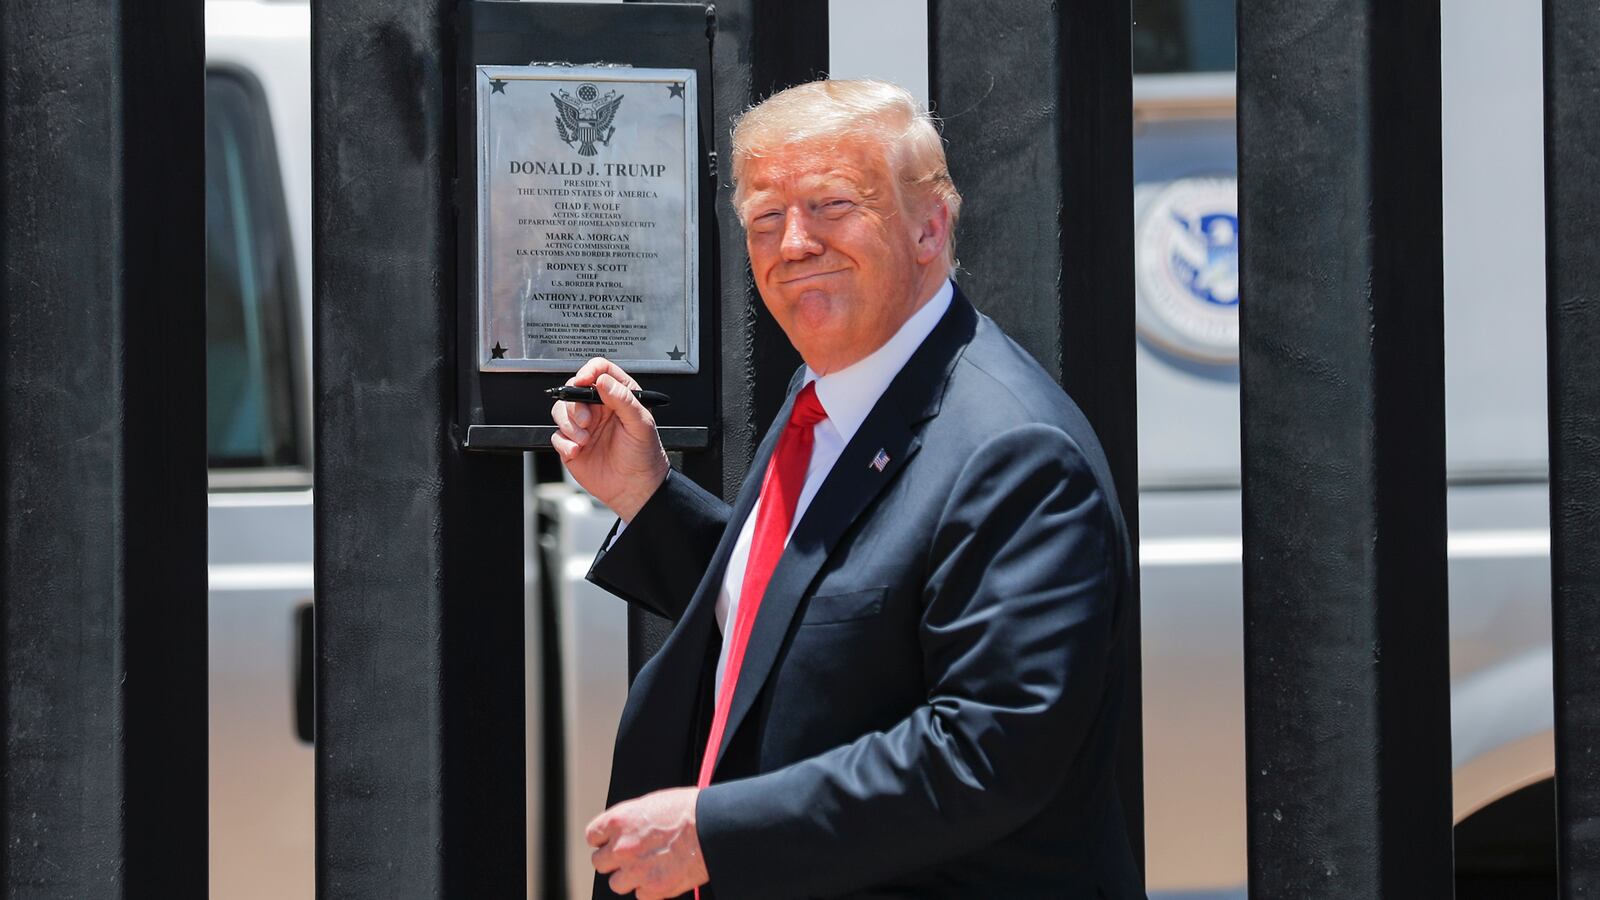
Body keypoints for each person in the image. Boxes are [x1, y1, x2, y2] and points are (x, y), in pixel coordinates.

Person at [550, 79, 1142, 900]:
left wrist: (714, 833)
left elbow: (987, 752)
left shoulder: (1016, 454)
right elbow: (821, 623)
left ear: (930, 226)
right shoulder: (831, 385)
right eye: (765, 216)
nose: (793, 243)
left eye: (831, 205)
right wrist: (650, 497)